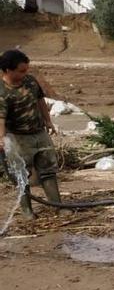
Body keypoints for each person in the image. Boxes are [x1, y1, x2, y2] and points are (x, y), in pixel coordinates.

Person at [0, 49, 63, 219]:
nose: (25, 73)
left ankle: (57, 206)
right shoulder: (2, 92)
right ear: (7, 70)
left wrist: (48, 121)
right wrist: (2, 139)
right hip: (18, 138)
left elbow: (40, 100)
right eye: (21, 71)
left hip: (38, 132)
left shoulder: (30, 81)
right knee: (22, 175)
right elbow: (1, 118)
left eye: (26, 69)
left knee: (48, 170)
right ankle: (27, 211)